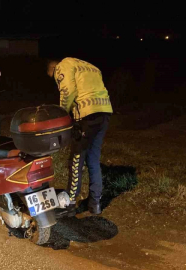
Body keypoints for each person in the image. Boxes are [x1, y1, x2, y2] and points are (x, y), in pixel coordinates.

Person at [47, 57, 113, 215]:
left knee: (77, 159)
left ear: (52, 69)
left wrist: (61, 115)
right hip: (104, 113)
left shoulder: (63, 66)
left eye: (52, 77)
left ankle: (69, 203)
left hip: (86, 116)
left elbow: (67, 91)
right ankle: (95, 203)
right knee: (93, 159)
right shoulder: (91, 67)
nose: (55, 80)